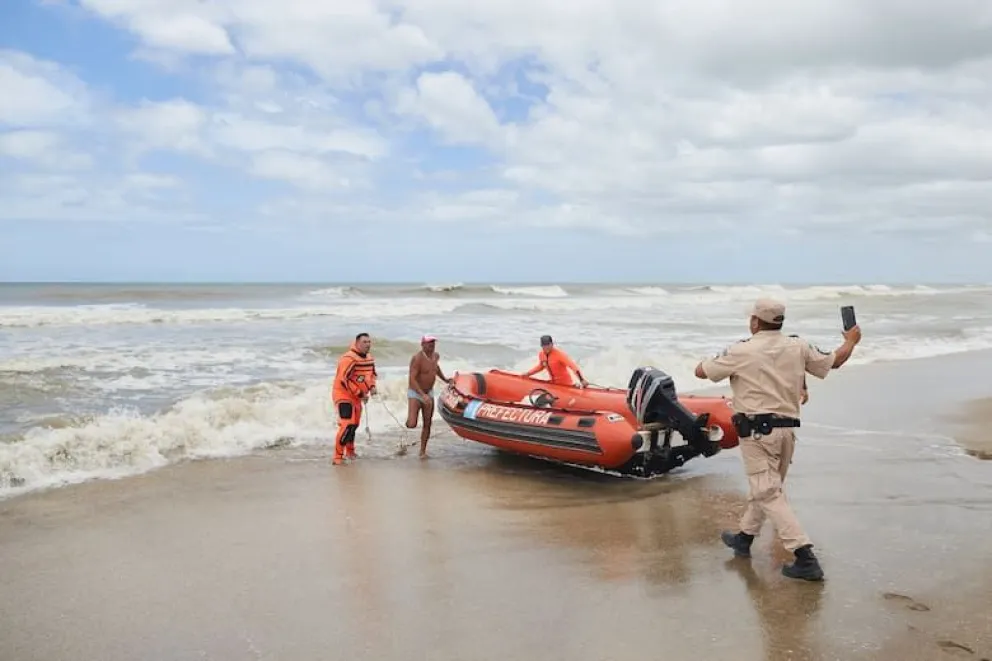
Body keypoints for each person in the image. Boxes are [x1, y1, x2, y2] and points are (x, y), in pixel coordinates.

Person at [694, 298, 862, 581]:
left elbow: (701, 371)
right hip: (787, 433)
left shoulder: (741, 350)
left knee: (768, 492)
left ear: (755, 321)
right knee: (767, 489)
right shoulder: (799, 346)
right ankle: (744, 539)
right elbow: (835, 361)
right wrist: (852, 340)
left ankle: (804, 555)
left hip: (757, 434)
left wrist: (721, 359)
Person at [331, 332, 378, 465]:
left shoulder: (369, 358)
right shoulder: (348, 359)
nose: (367, 345)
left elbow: (371, 375)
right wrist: (359, 393)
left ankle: (350, 452)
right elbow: (343, 380)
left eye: (369, 342)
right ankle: (338, 457)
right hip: (343, 395)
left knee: (354, 425)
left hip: (357, 397)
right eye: (364, 342)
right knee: (347, 424)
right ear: (357, 343)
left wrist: (372, 387)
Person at [406, 334, 451, 458]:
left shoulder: (436, 356)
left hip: (429, 392)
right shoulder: (417, 358)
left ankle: (422, 451)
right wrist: (421, 395)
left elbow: (435, 369)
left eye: (433, 343)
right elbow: (412, 379)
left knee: (427, 423)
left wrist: (445, 379)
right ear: (423, 344)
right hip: (415, 393)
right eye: (429, 343)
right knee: (412, 424)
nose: (432, 345)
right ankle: (408, 420)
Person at [522, 335, 589, 388]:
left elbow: (573, 366)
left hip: (565, 385)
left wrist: (581, 380)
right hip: (553, 384)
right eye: (544, 345)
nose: (546, 347)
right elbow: (541, 366)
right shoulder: (541, 354)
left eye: (548, 345)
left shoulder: (559, 354)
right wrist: (528, 374)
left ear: (552, 344)